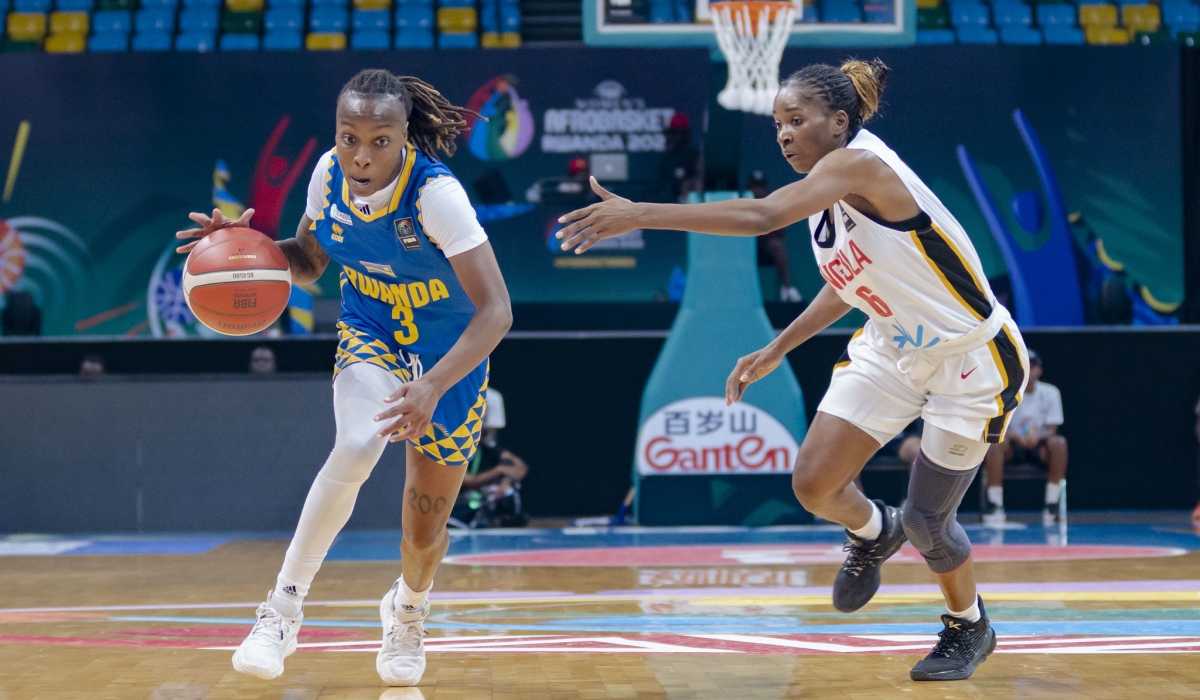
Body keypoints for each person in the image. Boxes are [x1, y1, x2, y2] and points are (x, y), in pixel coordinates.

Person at [557, 58, 1028, 682]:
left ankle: (968, 625)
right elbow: (848, 283)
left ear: (839, 122)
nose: (782, 134)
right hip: (891, 344)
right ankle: (872, 529)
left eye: (795, 120)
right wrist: (780, 345)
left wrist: (641, 212)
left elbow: (758, 218)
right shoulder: (824, 183)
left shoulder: (860, 165)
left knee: (929, 520)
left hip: (970, 357)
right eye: (778, 122)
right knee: (813, 484)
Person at [175, 69, 512, 687]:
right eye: (348, 135)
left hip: (449, 358)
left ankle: (407, 611)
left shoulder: (435, 196)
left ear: (404, 137)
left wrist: (433, 385)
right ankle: (280, 611)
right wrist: (246, 250)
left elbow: (497, 311)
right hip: (372, 332)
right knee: (357, 443)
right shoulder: (328, 173)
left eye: (379, 140)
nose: (360, 154)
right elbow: (308, 260)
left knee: (424, 527)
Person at [983, 350, 1065, 527]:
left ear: (1040, 371)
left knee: (1059, 443)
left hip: (1040, 447)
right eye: (1025, 366)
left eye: (1033, 366)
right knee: (995, 444)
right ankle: (994, 504)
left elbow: (1052, 428)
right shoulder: (1006, 392)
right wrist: (1018, 437)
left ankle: (1052, 502)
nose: (1030, 370)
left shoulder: (1051, 392)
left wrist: (1037, 437)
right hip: (1013, 446)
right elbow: (999, 426)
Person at [452, 387, 531, 528]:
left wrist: (506, 481)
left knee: (508, 493)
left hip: (480, 509)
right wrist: (499, 470)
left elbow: (520, 468)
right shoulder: (455, 448)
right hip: (456, 510)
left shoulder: (488, 449)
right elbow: (468, 480)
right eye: (485, 431)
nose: (488, 434)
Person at [748, 171, 802, 303]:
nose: (758, 191)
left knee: (776, 245)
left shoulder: (773, 202)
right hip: (747, 245)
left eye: (760, 186)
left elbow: (781, 229)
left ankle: (787, 288)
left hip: (766, 247)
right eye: (755, 187)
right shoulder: (744, 201)